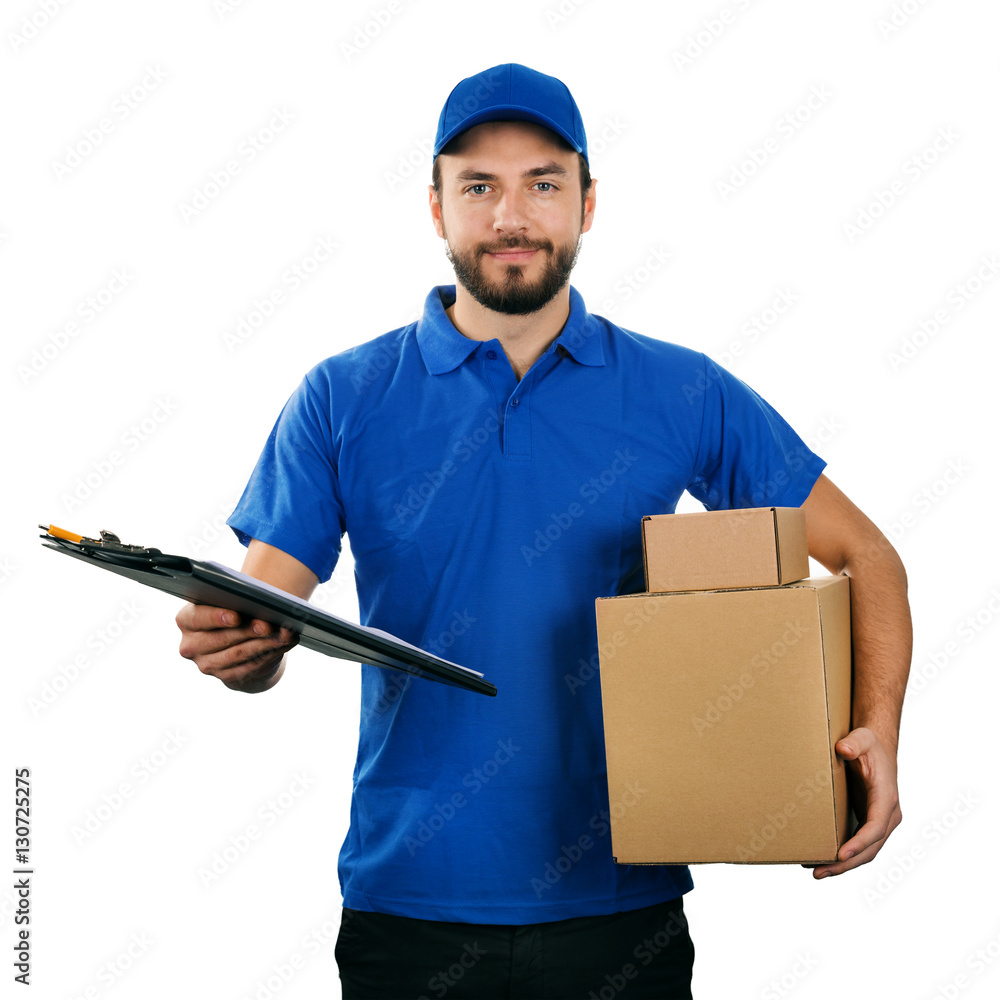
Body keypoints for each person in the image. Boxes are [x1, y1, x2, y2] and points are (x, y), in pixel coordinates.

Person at [176, 63, 911, 999]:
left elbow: (867, 556)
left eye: (543, 184)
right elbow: (268, 603)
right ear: (436, 209)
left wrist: (876, 732)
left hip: (623, 909)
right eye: (478, 185)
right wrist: (248, 650)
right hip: (409, 912)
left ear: (588, 205)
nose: (510, 216)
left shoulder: (680, 391)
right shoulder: (343, 396)